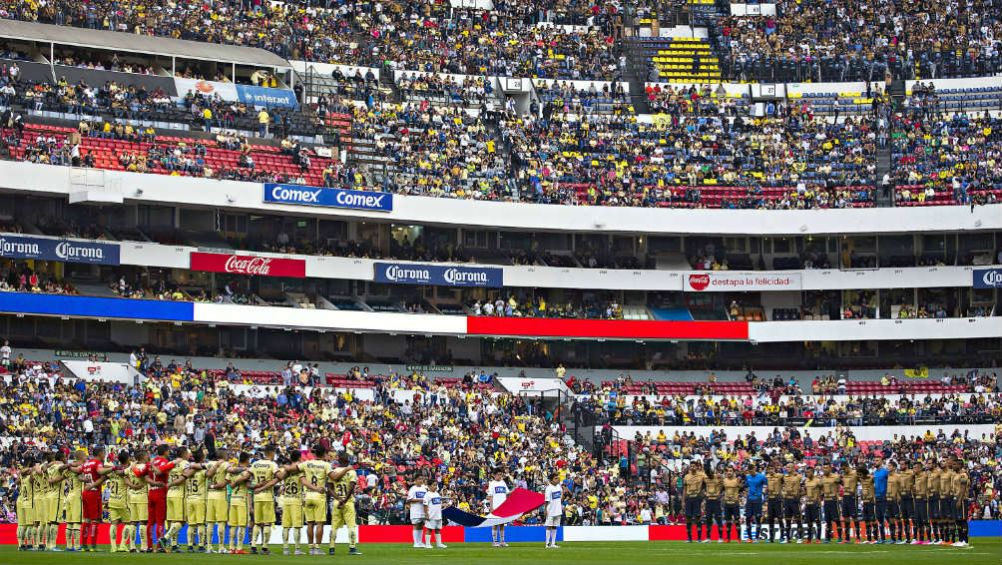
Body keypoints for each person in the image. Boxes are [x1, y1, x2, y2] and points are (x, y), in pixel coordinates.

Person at [80, 446, 113, 552]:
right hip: (94, 492)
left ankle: (84, 545)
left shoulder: (86, 463)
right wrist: (112, 468)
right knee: (95, 520)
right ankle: (93, 545)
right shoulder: (97, 463)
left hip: (86, 492)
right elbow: (100, 471)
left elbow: (79, 473)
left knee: (87, 519)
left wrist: (86, 481)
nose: (104, 455)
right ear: (100, 453)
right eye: (104, 453)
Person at [328, 451, 361, 555]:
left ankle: (331, 548)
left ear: (338, 459)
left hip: (337, 502)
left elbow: (329, 488)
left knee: (334, 526)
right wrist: (345, 500)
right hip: (348, 502)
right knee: (351, 526)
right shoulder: (351, 471)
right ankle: (352, 548)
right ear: (347, 460)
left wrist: (338, 499)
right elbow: (351, 488)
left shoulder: (333, 472)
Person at [301, 445, 332, 554]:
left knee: (310, 523)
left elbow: (295, 468)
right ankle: (317, 548)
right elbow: (333, 477)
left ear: (314, 453)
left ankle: (310, 548)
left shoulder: (306, 464)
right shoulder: (326, 465)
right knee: (319, 523)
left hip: (308, 495)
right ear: (324, 454)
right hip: (319, 495)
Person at [250, 445, 279, 555]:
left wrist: (255, 486)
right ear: (271, 453)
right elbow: (278, 476)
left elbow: (248, 477)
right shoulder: (272, 464)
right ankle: (265, 548)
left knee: (257, 523)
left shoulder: (255, 464)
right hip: (267, 496)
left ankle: (253, 545)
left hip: (257, 497)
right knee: (267, 523)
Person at [146, 444, 175, 552]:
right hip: (160, 493)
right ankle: (159, 546)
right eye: (168, 451)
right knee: (160, 521)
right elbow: (159, 472)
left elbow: (146, 477)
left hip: (151, 492)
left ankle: (149, 546)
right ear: (166, 451)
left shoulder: (151, 462)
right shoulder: (164, 462)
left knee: (150, 522)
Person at [163, 447, 192, 551]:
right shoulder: (185, 463)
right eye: (188, 453)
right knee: (181, 521)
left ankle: (174, 545)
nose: (189, 455)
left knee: (173, 521)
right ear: (184, 453)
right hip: (179, 494)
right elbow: (184, 476)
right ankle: (165, 538)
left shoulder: (172, 463)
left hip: (170, 493)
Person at [276, 451, 304, 555]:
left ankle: (285, 549)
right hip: (296, 499)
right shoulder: (300, 468)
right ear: (299, 457)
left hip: (286, 499)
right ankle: (297, 549)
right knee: (296, 526)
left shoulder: (284, 470)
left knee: (286, 526)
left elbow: (280, 477)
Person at [106, 451, 134, 553]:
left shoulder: (113, 470)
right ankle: (122, 545)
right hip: (122, 500)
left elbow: (105, 475)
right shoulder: (126, 470)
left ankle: (113, 547)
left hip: (112, 500)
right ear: (128, 459)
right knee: (129, 523)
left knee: (114, 523)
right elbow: (128, 480)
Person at [206, 447, 232, 553]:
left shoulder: (209, 464)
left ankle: (209, 547)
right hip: (220, 495)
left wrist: (211, 486)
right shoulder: (226, 464)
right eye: (227, 454)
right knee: (221, 521)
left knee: (210, 522)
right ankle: (221, 547)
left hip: (210, 496)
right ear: (223, 455)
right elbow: (223, 483)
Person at [226, 452, 253, 554]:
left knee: (233, 525)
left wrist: (233, 483)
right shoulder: (247, 471)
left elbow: (227, 481)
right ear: (247, 460)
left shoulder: (232, 471)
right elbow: (247, 481)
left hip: (233, 499)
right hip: (242, 499)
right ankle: (239, 548)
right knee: (242, 525)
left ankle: (231, 548)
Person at [183, 449, 209, 552]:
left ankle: (189, 545)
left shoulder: (188, 470)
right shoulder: (203, 471)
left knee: (191, 524)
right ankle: (201, 545)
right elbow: (210, 472)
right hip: (200, 498)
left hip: (189, 498)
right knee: (201, 523)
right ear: (202, 458)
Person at [127, 450, 150, 552]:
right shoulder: (144, 467)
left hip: (132, 496)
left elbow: (122, 474)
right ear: (143, 457)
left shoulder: (131, 467)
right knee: (143, 522)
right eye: (147, 455)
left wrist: (131, 486)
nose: (148, 456)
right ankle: (143, 546)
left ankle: (132, 546)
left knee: (133, 522)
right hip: (142, 496)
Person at [63, 450, 86, 551]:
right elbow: (80, 472)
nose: (86, 458)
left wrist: (69, 465)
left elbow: (63, 473)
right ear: (81, 457)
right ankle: (76, 546)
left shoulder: (68, 469)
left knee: (69, 523)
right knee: (77, 521)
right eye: (85, 456)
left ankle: (69, 545)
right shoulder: (79, 467)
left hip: (69, 495)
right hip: (76, 496)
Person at [16, 453, 36, 551]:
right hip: (29, 501)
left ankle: (21, 544)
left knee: (21, 525)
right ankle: (29, 545)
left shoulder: (21, 476)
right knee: (29, 525)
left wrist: (22, 471)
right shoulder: (30, 476)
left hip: (21, 500)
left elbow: (16, 482)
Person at [682, 461, 705, 543]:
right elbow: (684, 489)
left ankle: (699, 538)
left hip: (697, 499)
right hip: (688, 499)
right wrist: (683, 501)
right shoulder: (686, 477)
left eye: (694, 466)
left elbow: (708, 483)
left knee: (698, 518)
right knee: (688, 518)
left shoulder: (702, 475)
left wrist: (703, 498)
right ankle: (689, 538)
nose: (692, 468)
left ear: (697, 467)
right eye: (691, 466)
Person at [781, 462, 803, 544]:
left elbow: (804, 484)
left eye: (789, 467)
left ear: (793, 468)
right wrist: (783, 493)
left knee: (797, 518)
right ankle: (787, 538)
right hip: (787, 500)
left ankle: (800, 537)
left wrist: (799, 494)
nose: (787, 468)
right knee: (787, 519)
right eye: (787, 467)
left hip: (794, 499)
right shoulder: (785, 477)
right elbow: (783, 486)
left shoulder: (798, 476)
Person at [487, 469, 510, 547]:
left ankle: (502, 541)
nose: (500, 476)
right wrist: (491, 507)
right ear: (494, 475)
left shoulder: (503, 483)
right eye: (498, 474)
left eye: (501, 474)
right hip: (496, 506)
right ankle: (494, 541)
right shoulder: (492, 484)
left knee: (502, 524)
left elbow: (507, 493)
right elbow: (490, 496)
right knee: (495, 523)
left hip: (503, 507)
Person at [950, 459, 970, 547]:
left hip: (962, 499)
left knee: (963, 520)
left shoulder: (963, 475)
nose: (953, 466)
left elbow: (963, 488)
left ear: (959, 465)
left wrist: (959, 500)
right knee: (957, 520)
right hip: (955, 498)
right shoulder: (956, 475)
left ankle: (965, 540)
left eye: (954, 464)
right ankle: (960, 539)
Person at [820, 463, 841, 543]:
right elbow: (821, 488)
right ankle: (827, 537)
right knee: (827, 520)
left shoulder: (836, 476)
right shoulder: (822, 478)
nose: (825, 469)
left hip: (833, 500)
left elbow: (841, 483)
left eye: (826, 468)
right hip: (826, 500)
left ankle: (839, 537)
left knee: (836, 519)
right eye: (824, 468)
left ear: (830, 468)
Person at [406, 475, 429, 548]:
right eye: (419, 479)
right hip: (415, 510)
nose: (421, 481)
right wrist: (421, 500)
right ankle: (415, 543)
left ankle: (420, 542)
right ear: (415, 480)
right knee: (415, 525)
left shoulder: (424, 489)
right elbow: (409, 500)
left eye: (422, 479)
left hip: (423, 510)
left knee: (421, 525)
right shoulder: (412, 489)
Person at [744, 463, 765, 542]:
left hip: (757, 499)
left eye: (751, 470)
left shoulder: (761, 477)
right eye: (749, 471)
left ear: (754, 468)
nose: (750, 472)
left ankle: (756, 537)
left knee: (758, 518)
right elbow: (746, 485)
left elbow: (766, 485)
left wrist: (762, 493)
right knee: (748, 517)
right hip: (749, 499)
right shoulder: (748, 477)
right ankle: (749, 538)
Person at [424, 481, 447, 549]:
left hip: (438, 515)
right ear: (429, 486)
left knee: (438, 529)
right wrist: (426, 514)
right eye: (434, 485)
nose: (435, 487)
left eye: (436, 485)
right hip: (431, 515)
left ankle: (439, 544)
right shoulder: (427, 494)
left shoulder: (437, 494)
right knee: (429, 529)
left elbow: (438, 504)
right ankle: (427, 544)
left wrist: (444, 505)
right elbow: (425, 505)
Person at [703, 466, 724, 543]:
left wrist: (721, 476)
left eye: (711, 474)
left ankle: (721, 538)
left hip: (716, 501)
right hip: (709, 501)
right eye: (708, 474)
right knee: (708, 519)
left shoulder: (718, 478)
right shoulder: (706, 479)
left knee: (718, 519)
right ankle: (708, 538)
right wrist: (705, 493)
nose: (709, 476)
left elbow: (723, 483)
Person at [543, 474, 564, 549]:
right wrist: (545, 510)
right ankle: (547, 544)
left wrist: (562, 497)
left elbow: (562, 493)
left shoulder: (559, 486)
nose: (557, 480)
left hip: (558, 510)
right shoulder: (549, 488)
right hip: (550, 510)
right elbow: (546, 500)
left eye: (557, 478)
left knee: (555, 527)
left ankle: (553, 543)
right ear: (551, 480)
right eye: (555, 478)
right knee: (549, 526)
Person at [840, 463, 860, 544]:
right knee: (845, 517)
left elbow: (862, 480)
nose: (844, 470)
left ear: (848, 467)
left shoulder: (855, 473)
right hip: (845, 496)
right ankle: (847, 538)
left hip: (852, 497)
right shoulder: (844, 474)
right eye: (842, 469)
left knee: (854, 516)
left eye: (844, 469)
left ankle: (858, 538)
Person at [765, 461, 784, 542]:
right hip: (770, 499)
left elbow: (785, 482)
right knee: (770, 519)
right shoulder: (766, 477)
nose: (771, 470)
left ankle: (782, 537)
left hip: (777, 499)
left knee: (779, 518)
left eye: (772, 469)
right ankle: (771, 538)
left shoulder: (779, 476)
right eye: (769, 469)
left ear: (775, 469)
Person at [722, 467, 742, 543]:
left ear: (733, 472)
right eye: (727, 471)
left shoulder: (736, 480)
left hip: (735, 503)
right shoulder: (724, 480)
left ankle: (739, 538)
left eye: (730, 471)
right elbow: (722, 489)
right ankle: (728, 538)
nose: (729, 472)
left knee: (737, 521)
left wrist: (739, 483)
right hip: (727, 503)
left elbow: (741, 488)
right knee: (728, 522)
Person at [803, 466, 822, 543]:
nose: (807, 473)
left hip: (815, 503)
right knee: (809, 522)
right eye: (807, 472)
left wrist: (818, 498)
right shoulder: (806, 481)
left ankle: (818, 539)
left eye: (809, 472)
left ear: (813, 472)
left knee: (817, 521)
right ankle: (809, 539)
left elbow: (822, 488)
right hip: (808, 503)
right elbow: (805, 491)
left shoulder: (817, 480)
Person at [873, 459, 890, 544]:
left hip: (884, 497)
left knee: (888, 517)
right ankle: (882, 538)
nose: (875, 462)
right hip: (877, 497)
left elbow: (890, 482)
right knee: (879, 518)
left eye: (877, 461)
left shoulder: (885, 472)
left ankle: (893, 538)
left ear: (881, 462)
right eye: (874, 461)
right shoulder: (875, 472)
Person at [859, 466, 876, 543]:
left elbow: (875, 478)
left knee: (873, 519)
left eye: (861, 474)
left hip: (871, 501)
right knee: (866, 520)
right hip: (864, 501)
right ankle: (868, 539)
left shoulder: (871, 478)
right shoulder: (861, 479)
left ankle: (875, 538)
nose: (860, 476)